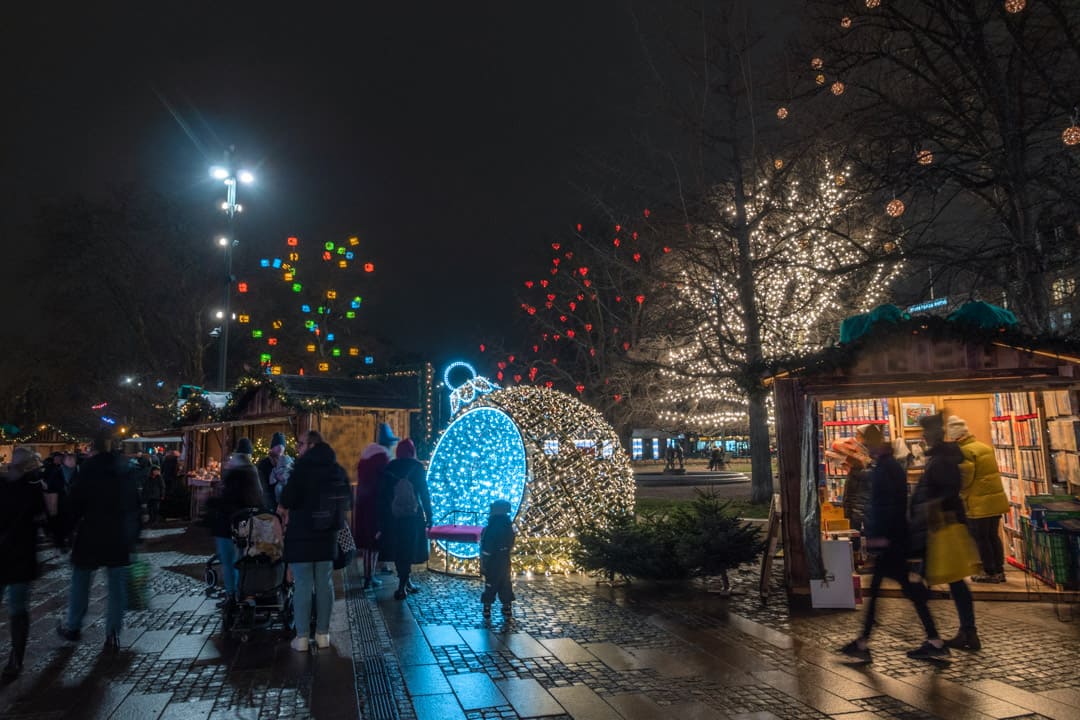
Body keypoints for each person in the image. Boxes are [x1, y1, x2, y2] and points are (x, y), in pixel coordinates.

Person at [839, 424, 948, 663]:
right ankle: (930, 639)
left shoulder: (885, 468)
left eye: (865, 443)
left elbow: (885, 506)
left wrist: (880, 537)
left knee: (890, 593)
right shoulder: (889, 466)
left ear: (871, 442)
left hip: (891, 541)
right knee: (888, 592)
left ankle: (931, 639)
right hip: (894, 539)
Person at [57, 434, 142, 653]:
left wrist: (63, 533)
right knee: (116, 587)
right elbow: (134, 503)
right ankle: (113, 631)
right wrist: (135, 534)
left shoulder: (88, 469)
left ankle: (74, 626)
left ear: (93, 449)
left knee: (81, 580)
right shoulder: (124, 469)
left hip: (91, 532)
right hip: (118, 534)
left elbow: (75, 502)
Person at [912, 412, 980, 651]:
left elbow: (941, 493)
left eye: (926, 431)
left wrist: (924, 510)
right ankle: (967, 631)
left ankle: (934, 639)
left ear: (934, 434)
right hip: (941, 527)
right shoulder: (942, 457)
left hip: (940, 528)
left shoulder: (941, 460)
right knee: (954, 581)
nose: (923, 436)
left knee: (920, 584)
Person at [281, 430, 352, 652]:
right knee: (325, 584)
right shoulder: (336, 470)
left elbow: (287, 499)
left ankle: (302, 637)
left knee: (302, 585)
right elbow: (349, 501)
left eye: (301, 444)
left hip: (301, 536)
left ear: (311, 446)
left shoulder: (301, 470)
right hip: (326, 536)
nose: (298, 448)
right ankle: (323, 634)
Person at [1, 448, 49, 678]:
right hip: (21, 558)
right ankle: (16, 658)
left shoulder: (5, 485)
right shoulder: (34, 489)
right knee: (18, 610)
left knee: (18, 609)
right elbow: (45, 519)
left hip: (8, 556)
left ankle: (16, 658)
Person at [946, 416, 1009, 584]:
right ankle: (999, 570)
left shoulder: (965, 451)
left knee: (980, 538)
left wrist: (957, 491)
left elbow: (965, 477)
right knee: (992, 536)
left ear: (956, 437)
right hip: (994, 500)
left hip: (978, 502)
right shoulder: (984, 447)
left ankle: (988, 572)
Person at [208, 438, 264, 608]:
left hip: (229, 526)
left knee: (230, 562)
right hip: (247, 526)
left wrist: (209, 501)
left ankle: (232, 595)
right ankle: (244, 594)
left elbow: (226, 501)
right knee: (241, 561)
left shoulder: (235, 475)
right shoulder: (253, 473)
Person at [377, 439, 432, 600]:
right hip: (413, 516)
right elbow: (424, 493)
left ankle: (405, 583)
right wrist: (429, 515)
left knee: (399, 549)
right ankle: (402, 586)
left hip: (394, 516)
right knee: (408, 550)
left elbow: (383, 495)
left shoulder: (390, 467)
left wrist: (383, 517)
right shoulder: (417, 467)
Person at [354, 442, 389, 589]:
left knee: (369, 546)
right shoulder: (380, 468)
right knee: (373, 546)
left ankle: (370, 575)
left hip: (364, 509)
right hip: (375, 510)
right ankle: (369, 576)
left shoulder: (364, 466)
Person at [480, 500, 515, 618]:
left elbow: (487, 544)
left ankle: (487, 606)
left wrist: (484, 560)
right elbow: (511, 541)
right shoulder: (507, 525)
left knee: (491, 583)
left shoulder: (491, 526)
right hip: (504, 559)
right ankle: (507, 606)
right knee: (505, 583)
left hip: (493, 560)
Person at [256, 432, 291, 509]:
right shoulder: (264, 463)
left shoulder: (288, 462)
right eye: (277, 445)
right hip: (269, 502)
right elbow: (262, 485)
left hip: (285, 501)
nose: (280, 448)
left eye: (282, 445)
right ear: (272, 447)